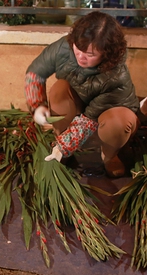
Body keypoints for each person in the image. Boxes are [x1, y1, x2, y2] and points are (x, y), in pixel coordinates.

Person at [24, 11, 140, 177]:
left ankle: (109, 155)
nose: (80, 56)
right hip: (80, 97)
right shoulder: (64, 47)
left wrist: (63, 147)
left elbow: (88, 120)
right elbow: (35, 73)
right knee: (59, 90)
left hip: (111, 110)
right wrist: (37, 105)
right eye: (78, 49)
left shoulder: (116, 76)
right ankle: (61, 143)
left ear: (107, 53)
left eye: (90, 54)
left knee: (117, 125)